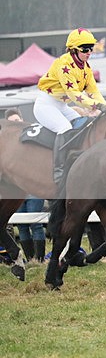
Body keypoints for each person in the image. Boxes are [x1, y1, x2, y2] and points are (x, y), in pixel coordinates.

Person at [34, 28, 106, 183]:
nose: (89, 52)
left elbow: (93, 92)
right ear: (74, 50)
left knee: (83, 126)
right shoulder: (64, 63)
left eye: (91, 48)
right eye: (85, 49)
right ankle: (59, 170)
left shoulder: (85, 67)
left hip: (62, 106)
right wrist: (97, 106)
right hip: (46, 105)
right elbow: (74, 95)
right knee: (65, 128)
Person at [4, 110, 48, 261]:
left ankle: (40, 258)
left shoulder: (31, 137)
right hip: (16, 187)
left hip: (32, 186)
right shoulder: (8, 146)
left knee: (35, 223)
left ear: (22, 119)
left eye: (17, 120)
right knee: (21, 226)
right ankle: (29, 258)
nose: (16, 123)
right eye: (12, 121)